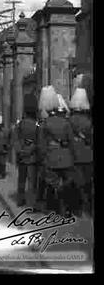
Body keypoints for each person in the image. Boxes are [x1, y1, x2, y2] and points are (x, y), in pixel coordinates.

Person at [38, 86, 77, 216]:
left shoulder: (45, 124)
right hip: (66, 157)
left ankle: (53, 208)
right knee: (67, 183)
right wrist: (72, 156)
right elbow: (71, 141)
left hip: (51, 157)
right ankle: (67, 209)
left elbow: (42, 145)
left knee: (51, 184)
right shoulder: (66, 123)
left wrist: (43, 157)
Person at [10, 94, 39, 208]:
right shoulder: (37, 125)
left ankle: (20, 200)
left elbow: (14, 139)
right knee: (32, 182)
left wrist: (20, 151)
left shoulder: (20, 124)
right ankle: (31, 203)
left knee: (21, 180)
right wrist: (31, 149)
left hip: (22, 157)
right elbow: (38, 141)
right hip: (32, 157)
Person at [69, 88, 93, 216]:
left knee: (75, 184)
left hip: (74, 156)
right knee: (87, 184)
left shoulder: (70, 120)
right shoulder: (88, 121)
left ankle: (77, 209)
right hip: (88, 156)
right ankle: (88, 208)